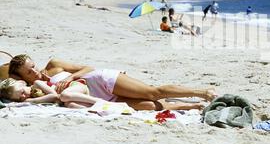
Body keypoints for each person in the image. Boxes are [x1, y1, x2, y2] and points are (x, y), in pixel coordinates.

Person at [8, 54, 217, 111]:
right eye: (29, 71)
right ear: (22, 77)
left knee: (153, 93)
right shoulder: (28, 88)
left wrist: (70, 77)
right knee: (149, 106)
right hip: (99, 98)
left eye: (34, 65)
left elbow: (88, 68)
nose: (35, 71)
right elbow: (11, 90)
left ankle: (203, 92)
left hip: (101, 80)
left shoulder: (54, 65)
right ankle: (193, 106)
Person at [0, 77, 107, 109]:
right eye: (20, 98)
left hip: (75, 87)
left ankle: (102, 102)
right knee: (71, 105)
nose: (24, 96)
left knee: (65, 96)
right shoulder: (27, 98)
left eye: (22, 92)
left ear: (22, 83)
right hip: (70, 99)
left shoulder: (36, 83)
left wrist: (32, 100)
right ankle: (101, 108)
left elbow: (55, 96)